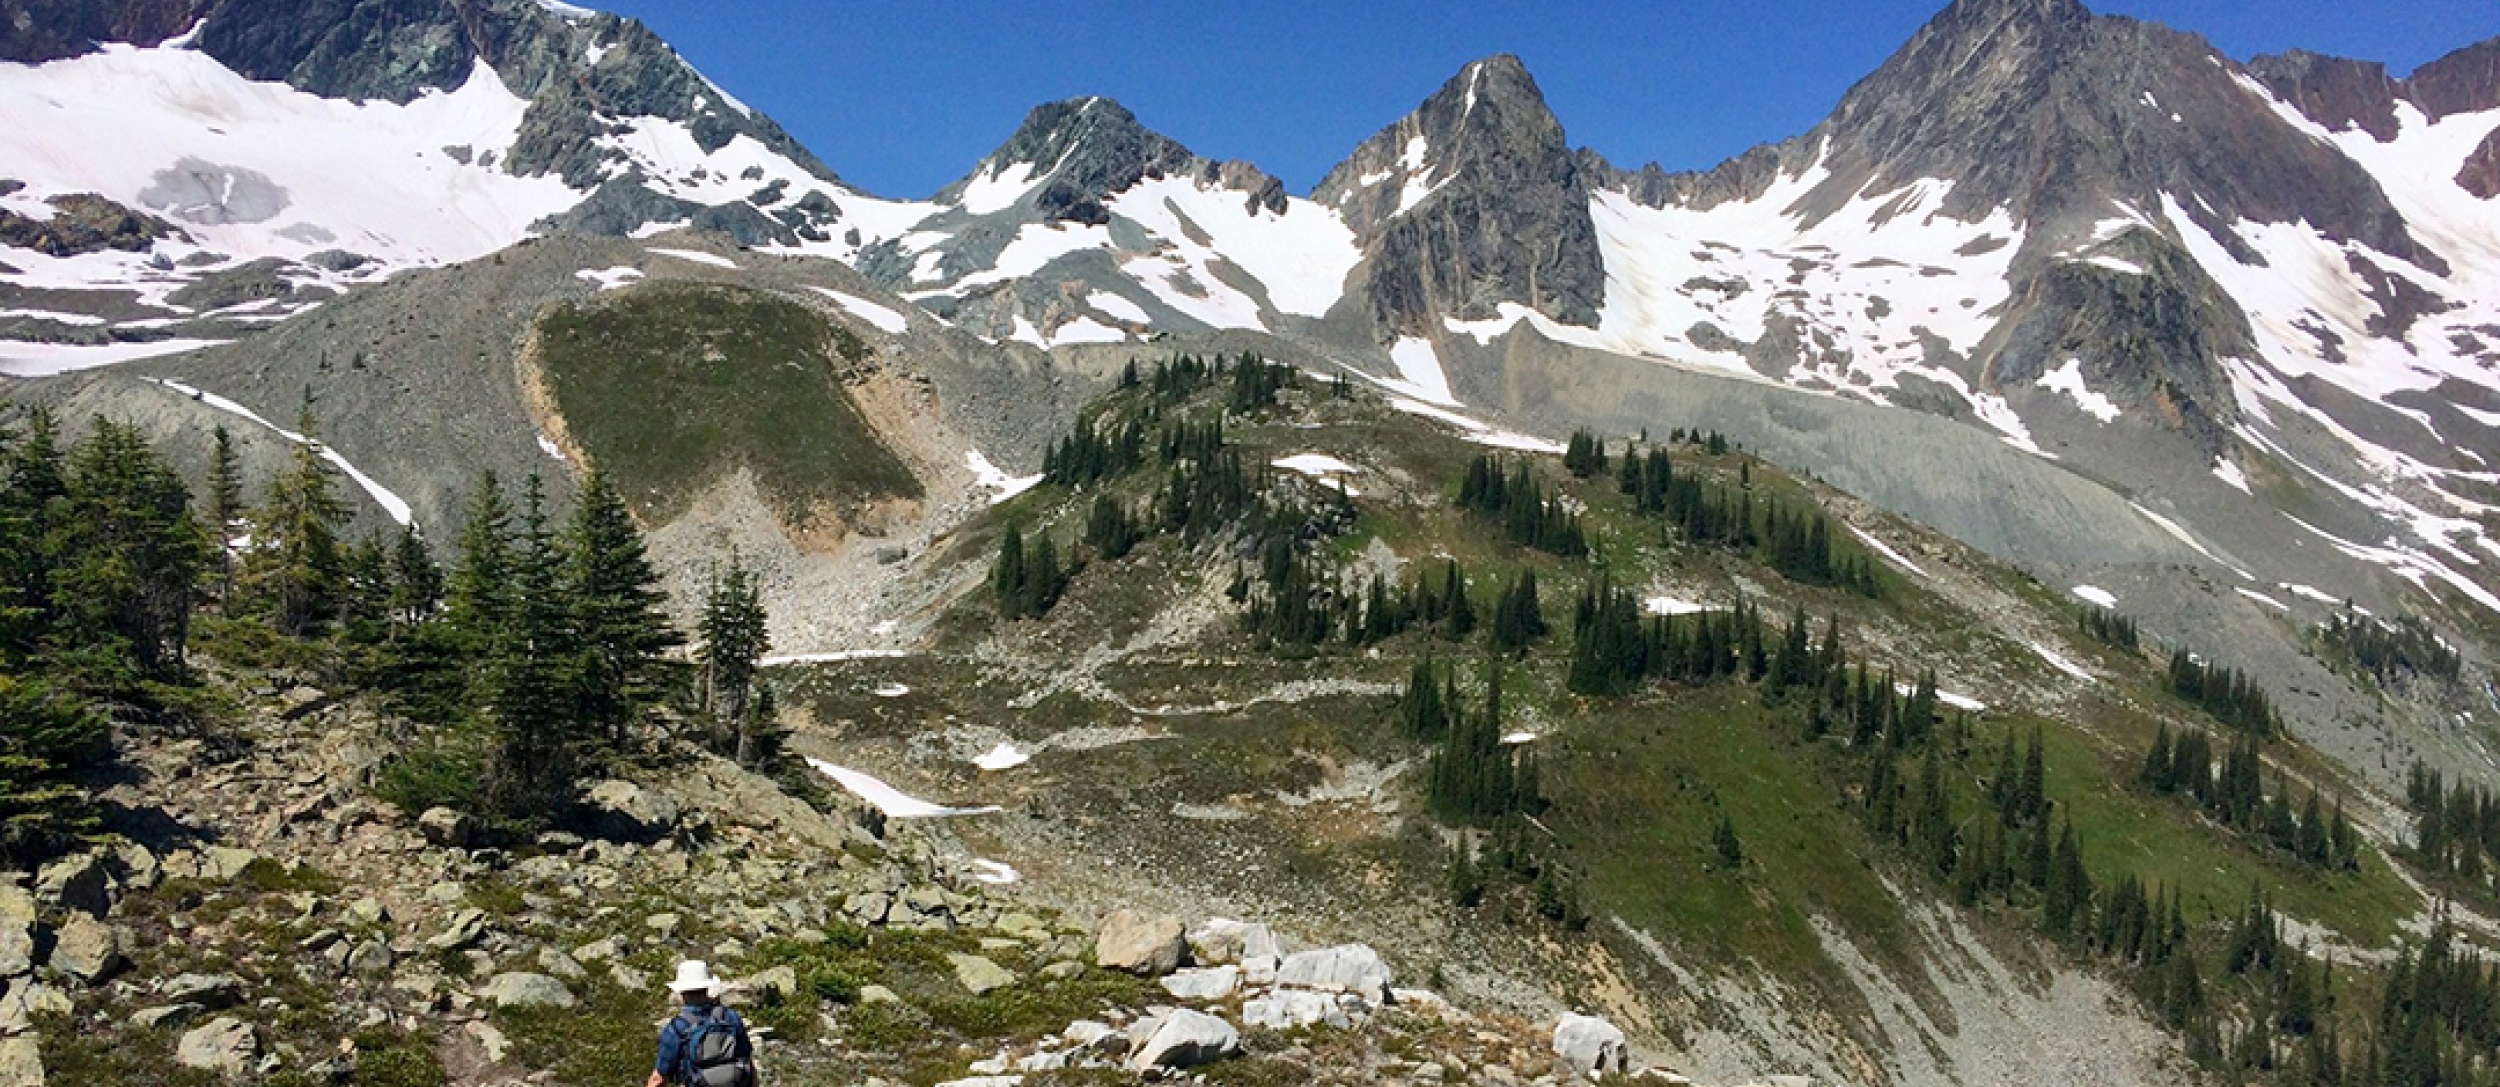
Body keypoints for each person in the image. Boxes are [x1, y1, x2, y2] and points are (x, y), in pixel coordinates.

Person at [647, 960, 759, 1087]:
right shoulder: (731, 1017)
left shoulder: (677, 1028)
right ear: (707, 987)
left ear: (682, 992)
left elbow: (658, 1078)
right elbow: (748, 1061)